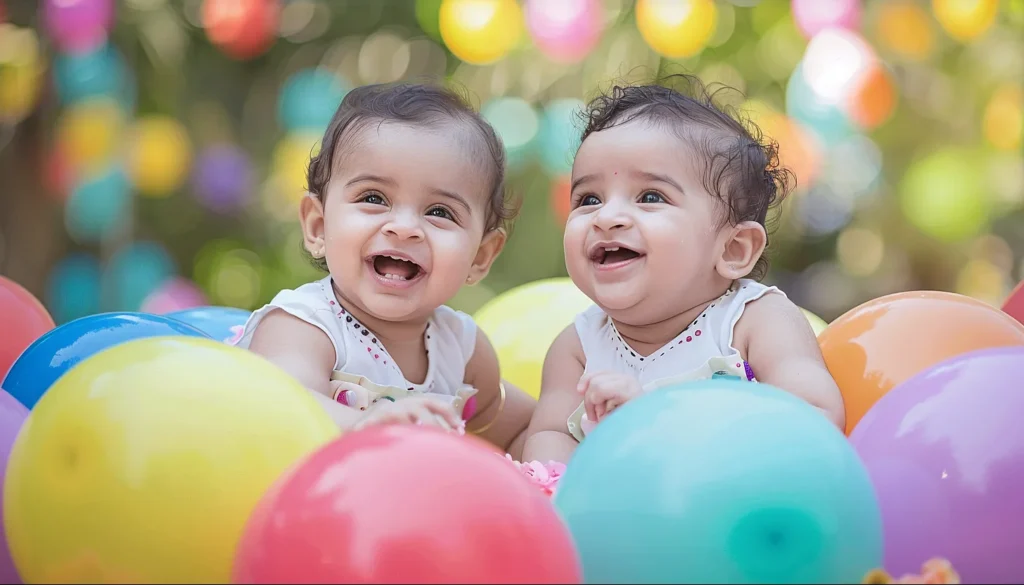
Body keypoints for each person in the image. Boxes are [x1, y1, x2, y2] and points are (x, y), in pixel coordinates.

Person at [522, 76, 846, 467]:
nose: (606, 217)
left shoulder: (754, 322)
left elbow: (814, 420)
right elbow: (549, 437)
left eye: (650, 197)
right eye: (589, 199)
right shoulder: (577, 347)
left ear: (733, 249)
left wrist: (660, 423)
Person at [235, 83, 534, 458]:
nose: (404, 227)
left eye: (439, 212)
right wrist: (364, 426)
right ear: (317, 226)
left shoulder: (464, 353)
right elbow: (281, 403)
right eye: (373, 199)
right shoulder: (305, 327)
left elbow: (522, 428)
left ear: (481, 256)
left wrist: (577, 434)